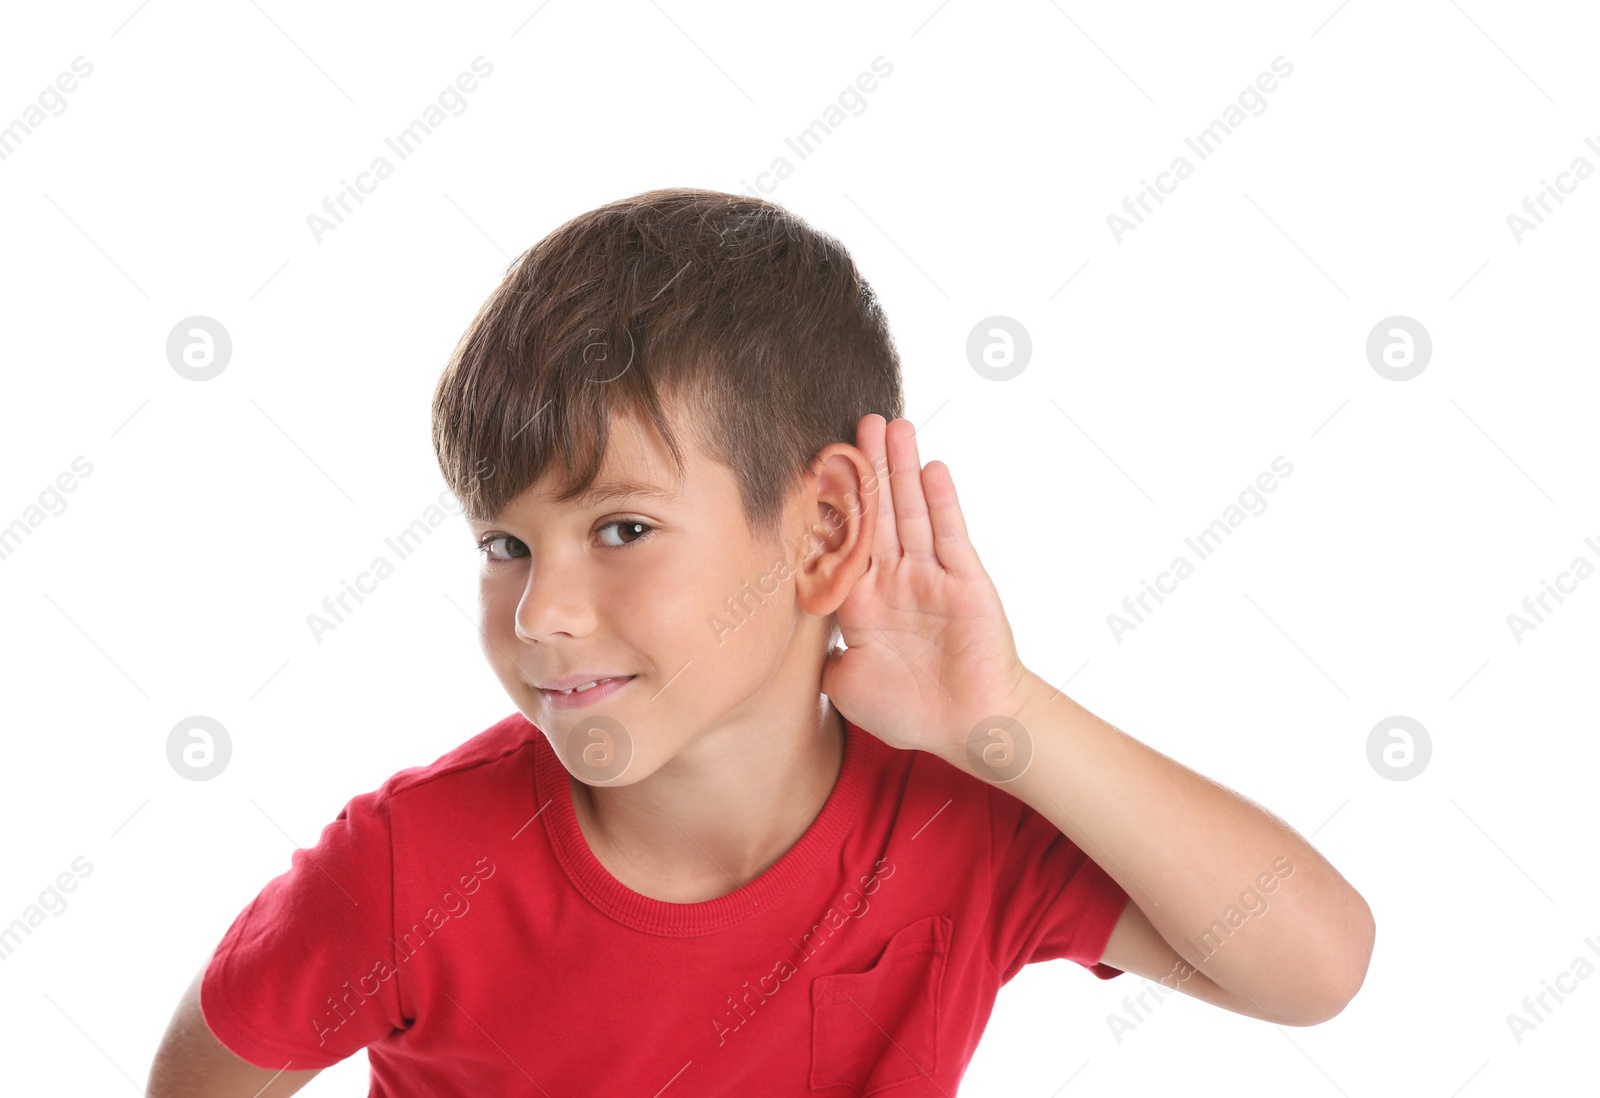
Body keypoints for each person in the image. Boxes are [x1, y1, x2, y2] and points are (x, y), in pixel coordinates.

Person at [147, 187, 1374, 1096]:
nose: (541, 613)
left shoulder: (961, 824)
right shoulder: (409, 867)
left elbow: (1310, 966)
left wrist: (1003, 716)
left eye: (620, 526)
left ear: (823, 527)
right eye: (503, 546)